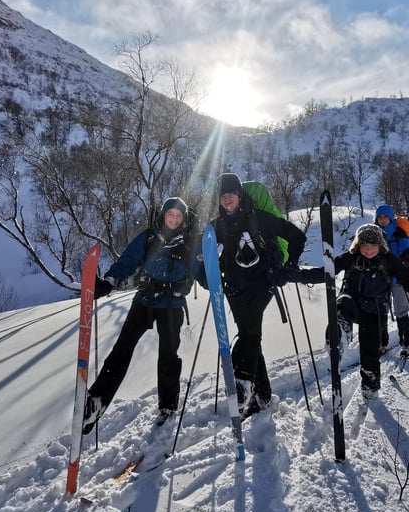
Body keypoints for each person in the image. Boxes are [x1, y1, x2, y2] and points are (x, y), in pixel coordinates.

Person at [82, 197, 199, 434]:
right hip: (145, 300)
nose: (174, 220)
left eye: (179, 216)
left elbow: (201, 268)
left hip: (172, 304)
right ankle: (97, 400)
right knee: (122, 349)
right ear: (163, 216)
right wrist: (108, 282)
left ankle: (168, 405)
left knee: (168, 354)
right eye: (170, 215)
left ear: (184, 219)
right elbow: (127, 261)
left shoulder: (189, 242)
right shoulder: (149, 237)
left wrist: (217, 280)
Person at [205, 173, 307, 418]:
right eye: (223, 197)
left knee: (250, 332)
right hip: (235, 289)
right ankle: (262, 396)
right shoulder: (218, 225)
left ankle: (241, 381)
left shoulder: (260, 219)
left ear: (240, 195)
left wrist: (290, 265)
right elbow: (203, 248)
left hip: (262, 284)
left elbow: (297, 237)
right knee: (250, 335)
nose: (227, 200)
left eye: (231, 195)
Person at [329, 224, 409, 398]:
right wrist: (299, 275)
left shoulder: (389, 260)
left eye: (373, 245)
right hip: (354, 303)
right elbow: (326, 272)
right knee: (343, 303)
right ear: (357, 245)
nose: (368, 250)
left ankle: (370, 385)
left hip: (375, 311)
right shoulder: (351, 257)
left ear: (380, 245)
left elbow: (407, 279)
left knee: (369, 351)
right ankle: (340, 331)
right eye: (364, 245)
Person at [374, 205, 409, 355]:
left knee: (401, 311)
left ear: (390, 218)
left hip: (397, 279)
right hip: (379, 280)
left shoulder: (399, 233)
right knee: (380, 312)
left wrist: (401, 265)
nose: (383, 220)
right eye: (380, 217)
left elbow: (408, 251)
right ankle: (382, 343)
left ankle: (405, 343)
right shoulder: (374, 234)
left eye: (385, 217)